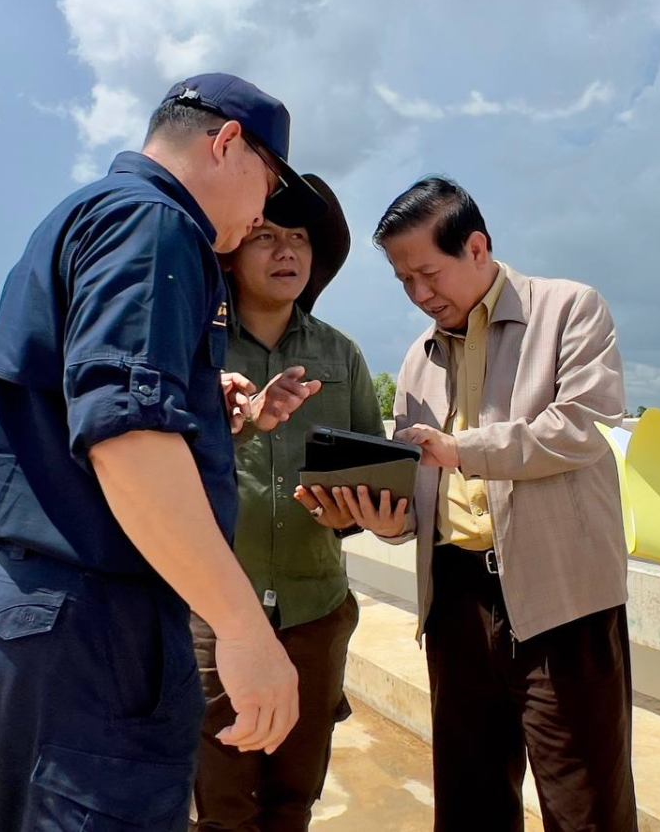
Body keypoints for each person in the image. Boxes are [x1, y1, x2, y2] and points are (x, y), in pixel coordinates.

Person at [0, 73, 328, 831]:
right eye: (268, 183)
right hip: (93, 623)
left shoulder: (90, 212)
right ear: (228, 143)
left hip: (37, 610)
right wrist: (243, 628)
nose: (263, 212)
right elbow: (125, 437)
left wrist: (206, 410)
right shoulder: (155, 224)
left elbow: (79, 397)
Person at [334, 176, 637, 832]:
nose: (420, 295)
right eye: (404, 281)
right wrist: (390, 522)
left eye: (428, 274)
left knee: (585, 805)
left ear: (477, 247)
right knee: (469, 802)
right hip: (457, 602)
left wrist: (461, 448)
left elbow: (583, 426)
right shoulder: (417, 358)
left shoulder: (570, 309)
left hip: (563, 598)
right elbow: (423, 480)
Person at [191, 175, 383, 830]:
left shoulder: (341, 354)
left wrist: (356, 513)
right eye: (266, 236)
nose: (286, 251)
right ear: (231, 254)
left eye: (299, 238)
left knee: (294, 801)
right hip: (212, 615)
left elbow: (372, 477)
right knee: (218, 805)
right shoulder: (195, 351)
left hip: (315, 611)